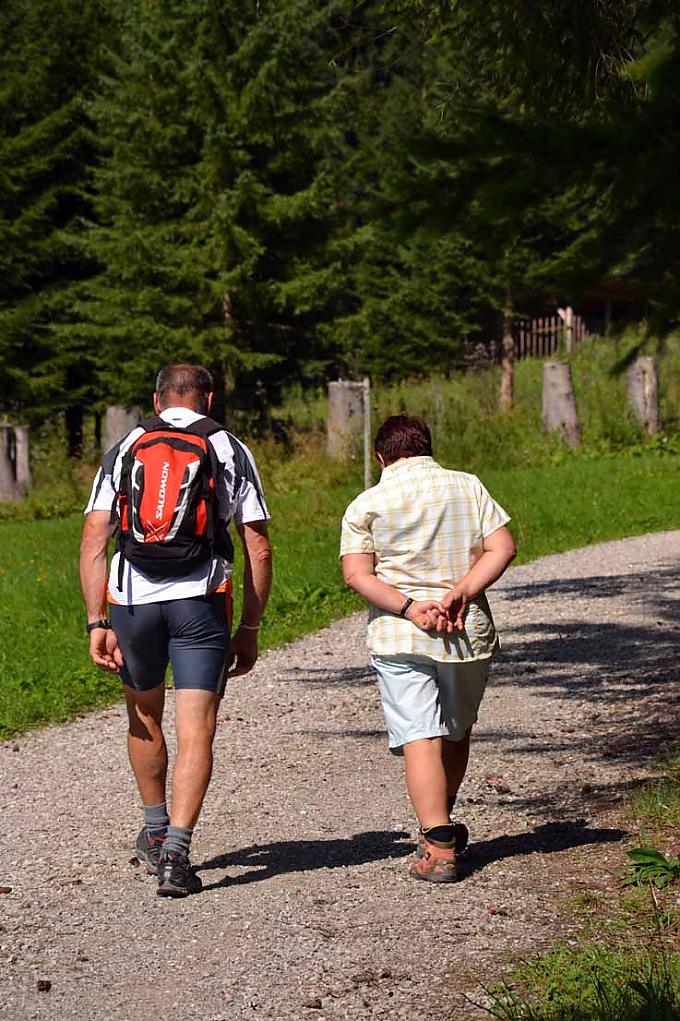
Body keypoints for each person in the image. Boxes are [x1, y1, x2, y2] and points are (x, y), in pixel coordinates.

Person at [80, 364, 272, 897]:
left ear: (156, 398)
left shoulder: (126, 446)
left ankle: (155, 826)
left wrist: (99, 619)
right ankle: (176, 856)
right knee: (197, 729)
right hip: (200, 603)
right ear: (208, 398)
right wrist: (250, 626)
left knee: (143, 715)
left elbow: (95, 536)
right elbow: (257, 543)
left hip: (133, 604)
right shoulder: (228, 446)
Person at [340, 415, 515, 882]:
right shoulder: (468, 486)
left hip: (401, 635)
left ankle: (438, 845)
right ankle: (440, 822)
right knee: (455, 732)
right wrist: (461, 590)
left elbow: (357, 574)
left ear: (381, 456)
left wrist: (410, 606)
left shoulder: (368, 503)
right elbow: (503, 548)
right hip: (465, 630)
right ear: (427, 447)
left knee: (420, 734)